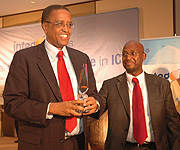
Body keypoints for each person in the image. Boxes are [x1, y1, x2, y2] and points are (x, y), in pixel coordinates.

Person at [3, 5, 99, 150]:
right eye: (60, 24)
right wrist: (52, 108)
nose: (66, 29)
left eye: (69, 24)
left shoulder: (82, 58)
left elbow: (92, 94)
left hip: (78, 143)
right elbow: (13, 103)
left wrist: (95, 104)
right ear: (45, 27)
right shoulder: (25, 58)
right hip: (42, 144)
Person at [97, 40, 180, 150]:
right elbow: (96, 108)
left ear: (143, 56)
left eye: (133, 53)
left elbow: (172, 123)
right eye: (124, 54)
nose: (128, 57)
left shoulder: (161, 84)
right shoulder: (110, 85)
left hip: (154, 147)